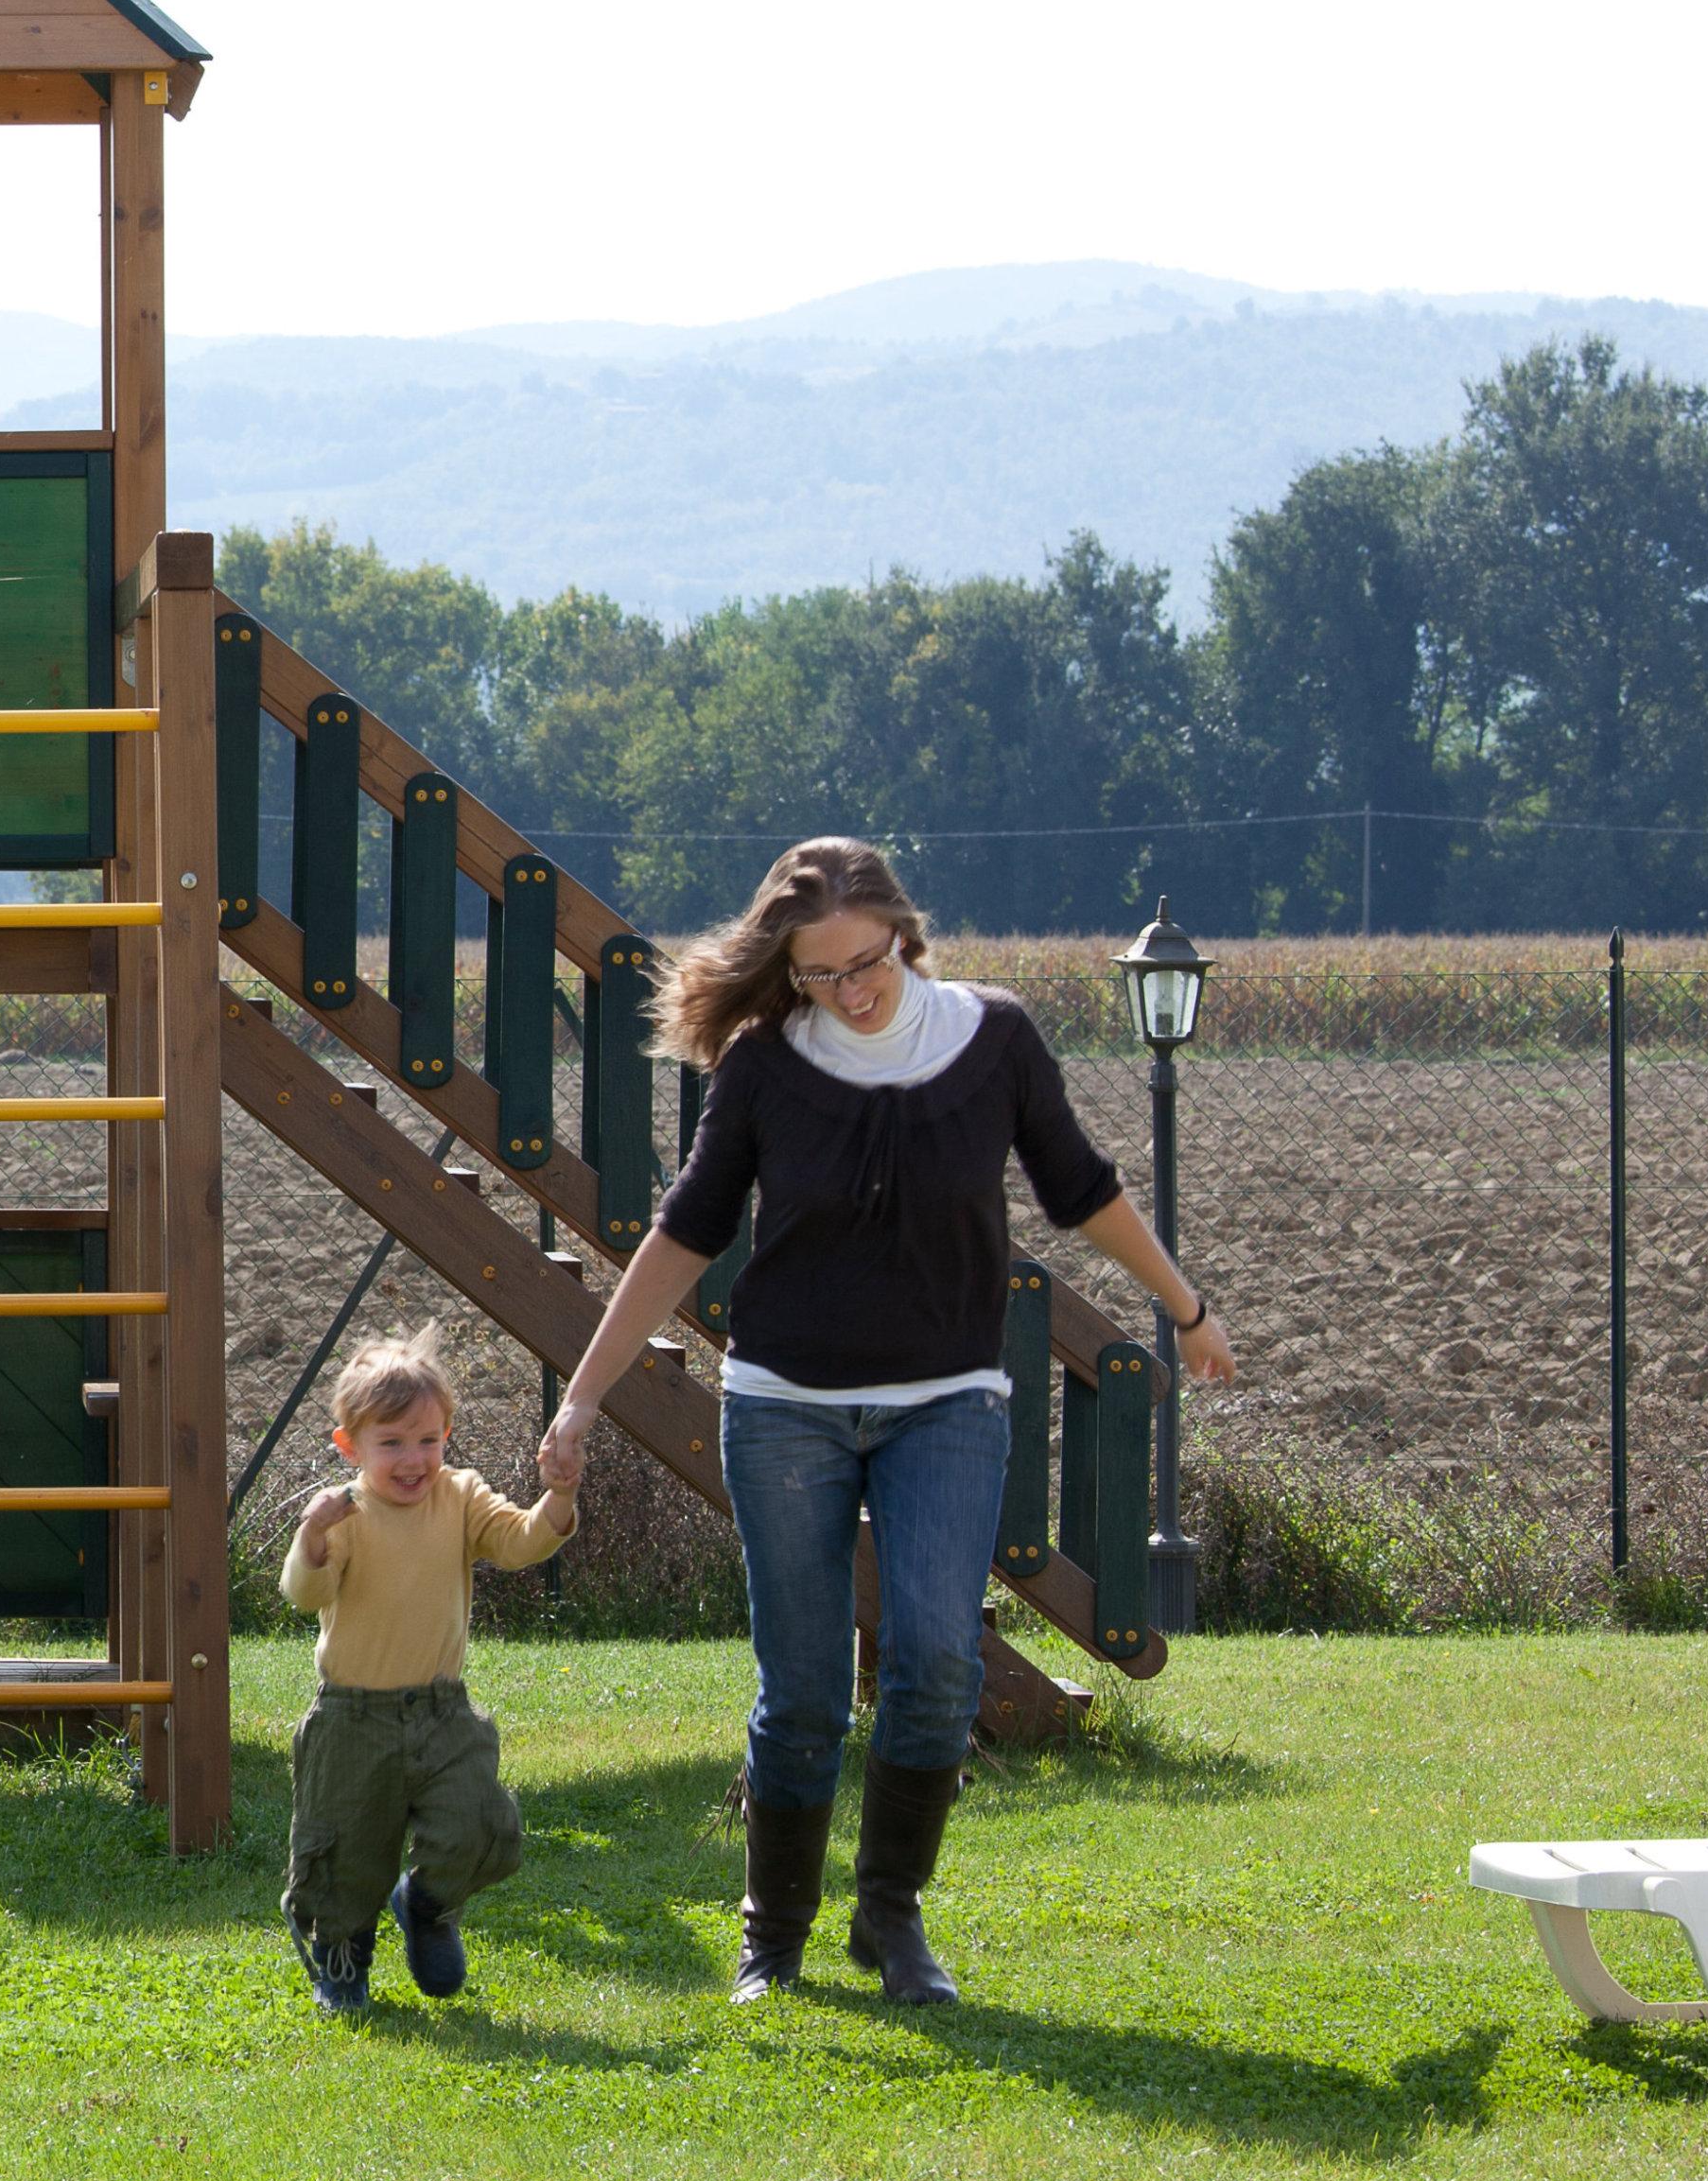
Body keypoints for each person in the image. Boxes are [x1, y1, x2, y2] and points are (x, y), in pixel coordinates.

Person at [539, 838, 1234, 2007]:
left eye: (864, 962)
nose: (849, 990)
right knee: (802, 1687)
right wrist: (583, 1391)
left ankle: (891, 1918)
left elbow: (1080, 1188)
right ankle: (774, 1935)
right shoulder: (764, 1062)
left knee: (936, 1658)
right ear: (787, 971)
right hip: (784, 1410)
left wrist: (1186, 1306)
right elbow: (687, 1229)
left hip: (948, 1402)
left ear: (902, 933)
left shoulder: (995, 1038)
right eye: (819, 975)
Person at [280, 1326, 581, 2013]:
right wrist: (312, 1536)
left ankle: (428, 1905)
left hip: (444, 1711)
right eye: (392, 1444)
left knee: (477, 1824)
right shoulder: (343, 1516)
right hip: (353, 1718)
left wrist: (557, 1497)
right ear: (349, 1446)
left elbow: (521, 1542)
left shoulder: (461, 1496)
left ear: (447, 1432)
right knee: (345, 1850)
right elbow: (304, 1594)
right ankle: (343, 1953)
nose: (414, 1460)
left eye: (429, 1440)